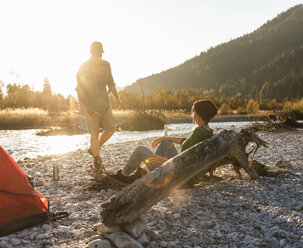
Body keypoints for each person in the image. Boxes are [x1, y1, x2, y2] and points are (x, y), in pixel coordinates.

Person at [113, 99, 218, 186]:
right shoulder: (208, 131)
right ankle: (141, 173)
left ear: (198, 114)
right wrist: (164, 138)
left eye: (192, 112)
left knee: (140, 150)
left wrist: (164, 161)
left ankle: (124, 175)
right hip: (188, 175)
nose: (191, 115)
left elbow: (185, 155)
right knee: (165, 143)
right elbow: (187, 142)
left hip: (180, 176)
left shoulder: (198, 132)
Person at [76, 41, 121, 173]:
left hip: (105, 105)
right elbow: (79, 88)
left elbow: (111, 84)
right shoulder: (84, 66)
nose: (99, 54)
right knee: (94, 133)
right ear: (92, 52)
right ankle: (97, 159)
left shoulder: (106, 65)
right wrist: (81, 106)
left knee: (111, 129)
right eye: (97, 52)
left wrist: (118, 99)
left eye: (101, 52)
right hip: (90, 106)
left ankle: (95, 148)